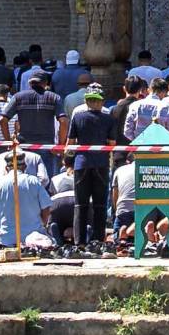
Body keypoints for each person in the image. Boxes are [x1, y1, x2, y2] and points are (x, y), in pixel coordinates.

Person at [62, 84, 122, 252]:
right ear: (101, 102)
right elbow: (112, 144)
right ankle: (97, 241)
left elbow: (70, 144)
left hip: (81, 163)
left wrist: (67, 161)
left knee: (80, 205)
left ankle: (79, 242)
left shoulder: (78, 117)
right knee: (100, 205)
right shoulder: (109, 119)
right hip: (101, 164)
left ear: (87, 101)